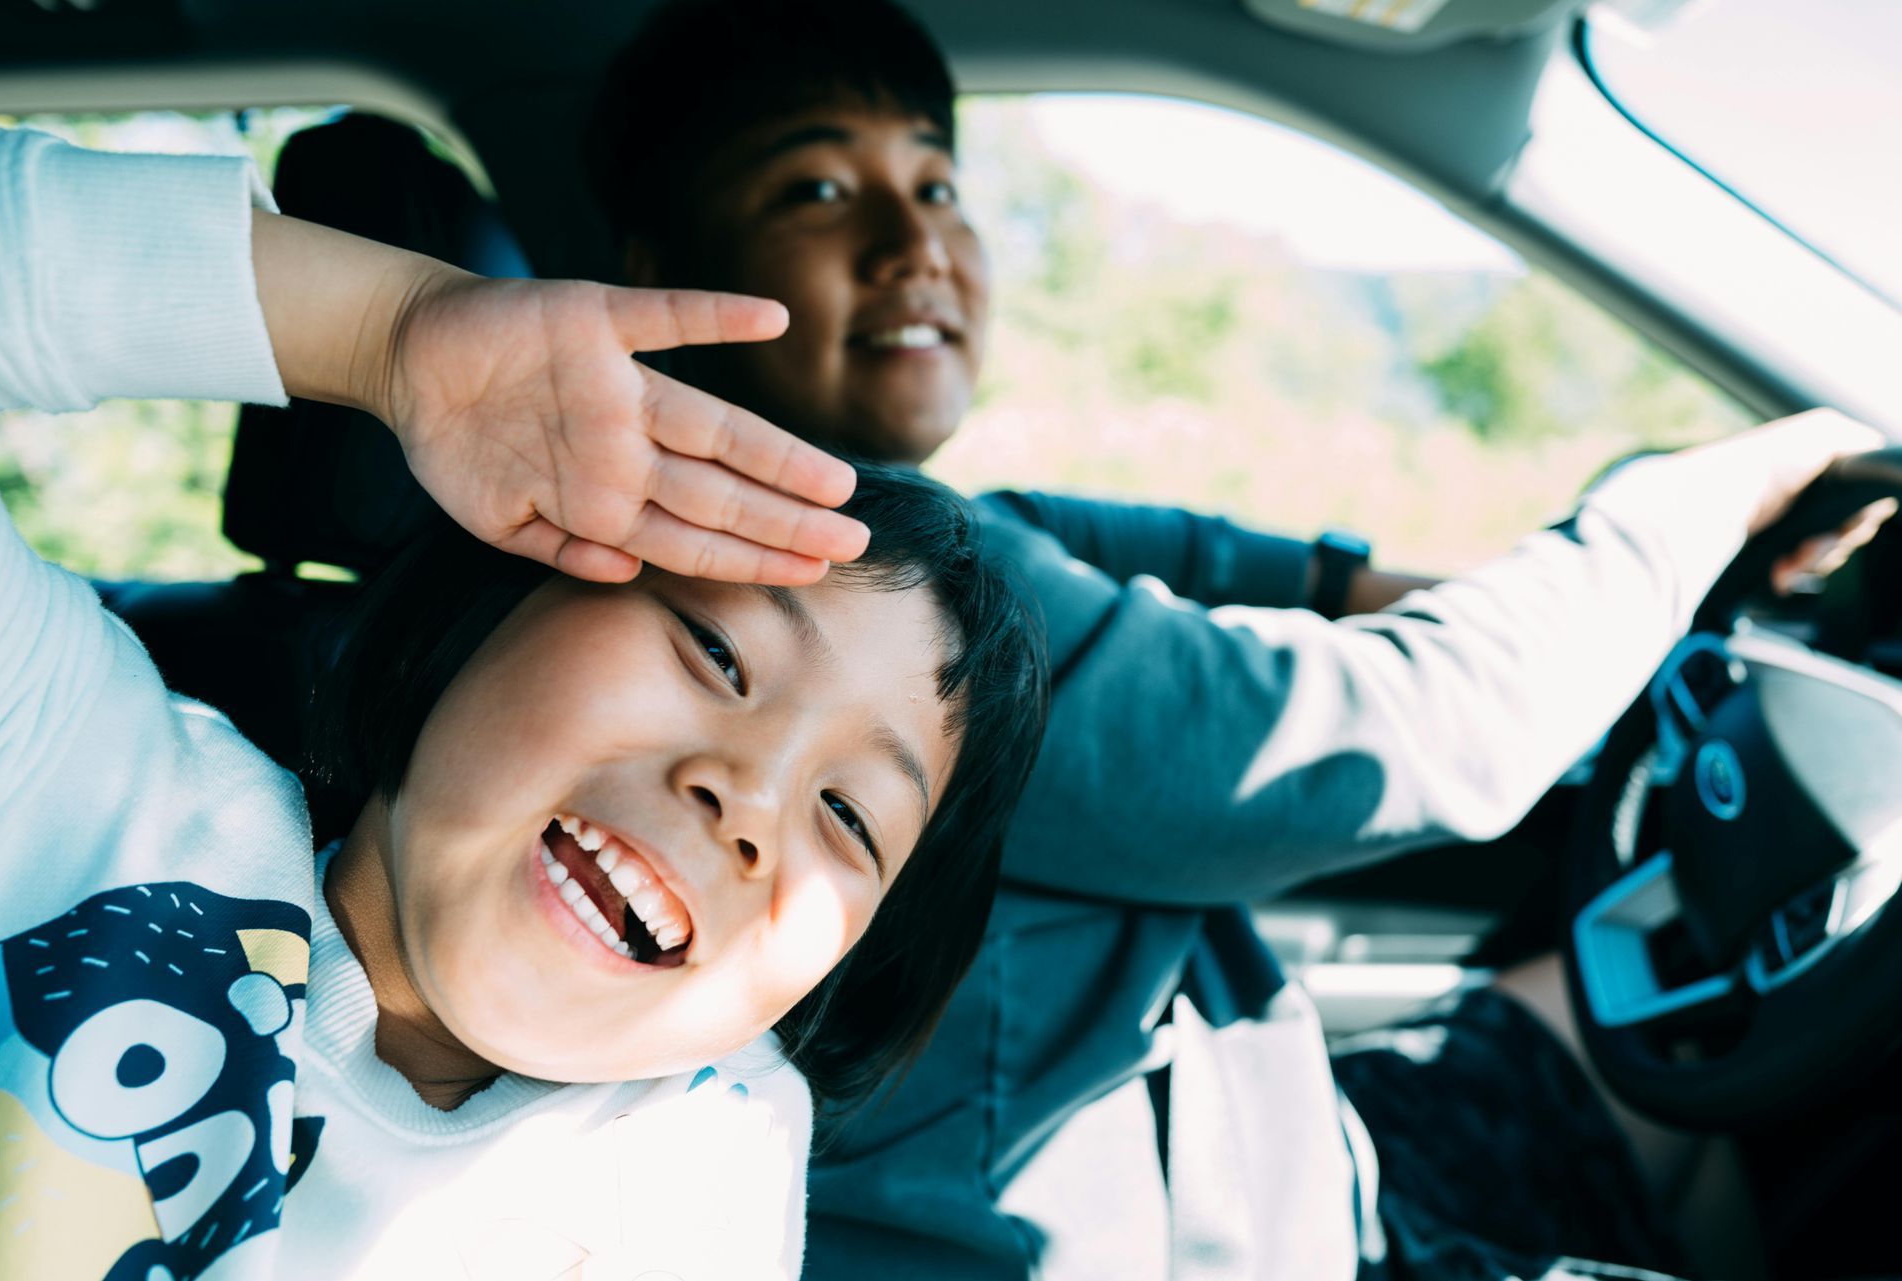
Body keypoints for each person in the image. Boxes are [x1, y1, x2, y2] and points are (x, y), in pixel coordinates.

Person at [583, 5, 1891, 1278]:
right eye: (814, 191)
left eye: (936, 183)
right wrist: (1713, 495)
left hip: (1278, 1171)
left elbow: (1273, 576)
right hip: (1184, 1241)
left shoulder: (950, 532)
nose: (909, 240)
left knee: (1661, 1071)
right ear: (660, 273)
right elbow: (1424, 727)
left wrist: (1643, 588)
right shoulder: (851, 598)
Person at [0, 123, 1047, 1280]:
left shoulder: (696, 1160)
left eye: (848, 819)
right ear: (489, 612)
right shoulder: (73, 772)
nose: (747, 799)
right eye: (714, 653)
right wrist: (382, 333)